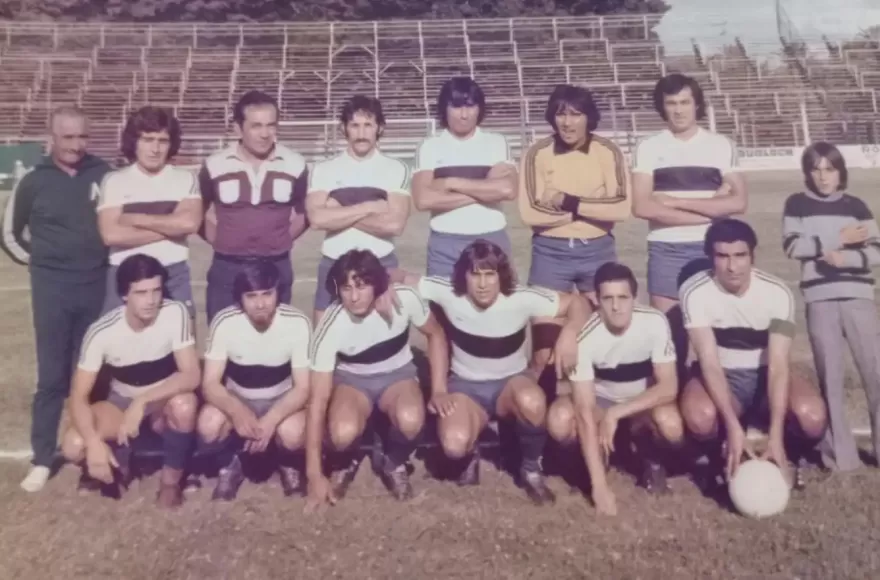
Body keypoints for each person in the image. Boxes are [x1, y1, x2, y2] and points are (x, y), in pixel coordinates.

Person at [391, 239, 590, 505]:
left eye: (490, 274)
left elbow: (578, 303)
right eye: (475, 274)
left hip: (511, 385)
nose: (483, 284)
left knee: (532, 401)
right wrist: (383, 287)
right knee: (453, 444)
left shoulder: (521, 297)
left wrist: (570, 330)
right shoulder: (449, 291)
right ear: (464, 275)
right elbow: (399, 275)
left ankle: (530, 468)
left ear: (501, 275)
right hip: (466, 386)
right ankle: (470, 452)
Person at [1, 106, 112, 493]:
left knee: (95, 372)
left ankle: (93, 452)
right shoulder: (33, 180)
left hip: (97, 284)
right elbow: (10, 235)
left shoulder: (104, 173)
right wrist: (43, 265)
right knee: (52, 377)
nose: (76, 145)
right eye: (68, 137)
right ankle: (42, 458)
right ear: (52, 139)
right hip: (51, 289)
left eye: (83, 136)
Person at [679, 219, 827, 491]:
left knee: (812, 417)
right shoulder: (694, 292)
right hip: (722, 376)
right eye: (722, 256)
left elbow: (779, 367)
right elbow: (710, 363)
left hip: (764, 377)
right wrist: (733, 427)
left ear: (752, 256)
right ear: (711, 257)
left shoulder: (778, 293)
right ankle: (718, 457)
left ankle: (788, 453)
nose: (732, 266)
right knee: (700, 417)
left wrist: (776, 434)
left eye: (740, 256)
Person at [306, 249, 448, 506]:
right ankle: (345, 460)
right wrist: (314, 474)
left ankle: (393, 461)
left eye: (361, 286)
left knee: (410, 420)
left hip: (398, 376)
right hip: (353, 381)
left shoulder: (403, 298)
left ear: (376, 285)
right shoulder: (331, 323)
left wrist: (438, 389)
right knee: (342, 433)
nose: (354, 296)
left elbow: (436, 334)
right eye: (346, 288)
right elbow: (316, 402)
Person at [59, 254, 200, 508]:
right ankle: (115, 464)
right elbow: (78, 396)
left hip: (162, 401)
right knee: (73, 445)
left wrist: (144, 401)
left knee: (185, 405)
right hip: (121, 401)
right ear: (125, 295)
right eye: (141, 292)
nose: (151, 300)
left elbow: (191, 374)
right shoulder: (101, 332)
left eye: (156, 290)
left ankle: (171, 483)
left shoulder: (175, 312)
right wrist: (93, 442)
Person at [546, 262, 684, 515]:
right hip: (600, 405)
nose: (616, 306)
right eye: (607, 298)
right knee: (559, 420)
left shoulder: (654, 321)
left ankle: (650, 460)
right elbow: (585, 411)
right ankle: (584, 467)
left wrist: (617, 413)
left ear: (635, 297)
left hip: (638, 404)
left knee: (671, 424)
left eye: (623, 297)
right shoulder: (584, 337)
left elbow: (669, 387)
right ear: (597, 300)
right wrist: (599, 487)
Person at [631, 73, 747, 366]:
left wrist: (675, 202)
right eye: (671, 103)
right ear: (662, 107)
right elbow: (643, 207)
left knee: (717, 334)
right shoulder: (648, 147)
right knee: (670, 338)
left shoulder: (721, 145)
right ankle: (675, 403)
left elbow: (739, 202)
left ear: (697, 105)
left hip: (712, 250)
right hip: (666, 249)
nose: (679, 109)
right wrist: (710, 210)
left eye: (685, 102)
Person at [517, 84, 630, 371]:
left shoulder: (608, 152)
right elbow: (530, 213)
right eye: (560, 114)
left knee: (603, 337)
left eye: (576, 114)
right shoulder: (537, 153)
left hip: (598, 251)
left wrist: (566, 201)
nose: (567, 122)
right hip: (550, 253)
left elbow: (621, 209)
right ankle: (544, 408)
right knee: (545, 347)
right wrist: (593, 210)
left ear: (588, 117)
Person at [782, 142, 880, 471]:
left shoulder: (856, 205)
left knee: (875, 372)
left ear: (840, 171)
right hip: (819, 298)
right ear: (808, 173)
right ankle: (842, 459)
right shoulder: (797, 204)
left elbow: (877, 250)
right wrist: (838, 239)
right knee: (832, 377)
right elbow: (793, 246)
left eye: (830, 169)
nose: (824, 176)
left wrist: (845, 258)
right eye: (816, 169)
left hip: (859, 297)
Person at [197, 261, 312, 500]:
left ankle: (286, 462)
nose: (260, 304)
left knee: (293, 433)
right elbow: (210, 384)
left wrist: (270, 420)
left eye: (267, 294)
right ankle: (231, 462)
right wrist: (238, 412)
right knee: (209, 425)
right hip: (240, 397)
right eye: (251, 296)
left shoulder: (297, 322)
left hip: (280, 400)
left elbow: (302, 387)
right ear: (240, 299)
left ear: (277, 293)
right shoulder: (225, 322)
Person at [199, 90, 309, 322]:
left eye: (271, 125)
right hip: (227, 265)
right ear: (238, 128)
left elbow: (304, 212)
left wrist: (280, 239)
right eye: (256, 126)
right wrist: (221, 239)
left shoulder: (295, 164)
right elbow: (197, 211)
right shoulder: (214, 165)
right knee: (222, 332)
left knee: (274, 337)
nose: (265, 134)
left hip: (277, 264)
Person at [306, 95, 411, 324]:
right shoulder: (324, 169)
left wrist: (337, 210)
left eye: (368, 125)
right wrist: (370, 207)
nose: (361, 133)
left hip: (381, 262)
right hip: (333, 261)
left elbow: (394, 225)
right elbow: (315, 219)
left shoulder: (396, 168)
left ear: (379, 128)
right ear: (344, 128)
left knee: (385, 332)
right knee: (325, 334)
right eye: (354, 125)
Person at [97, 106, 201, 318]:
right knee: (122, 345)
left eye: (162, 141)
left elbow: (189, 224)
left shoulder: (185, 179)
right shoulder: (114, 180)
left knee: (181, 341)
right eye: (147, 139)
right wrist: (170, 228)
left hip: (173, 272)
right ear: (134, 142)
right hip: (124, 273)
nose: (155, 149)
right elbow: (111, 235)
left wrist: (135, 218)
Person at [412, 77, 518, 278]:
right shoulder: (429, 146)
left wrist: (451, 183)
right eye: (456, 106)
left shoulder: (496, 143)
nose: (464, 115)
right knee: (442, 307)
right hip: (445, 243)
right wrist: (485, 189)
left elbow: (508, 190)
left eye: (470, 106)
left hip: (491, 239)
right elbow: (424, 200)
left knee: (496, 306)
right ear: (445, 108)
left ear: (480, 108)